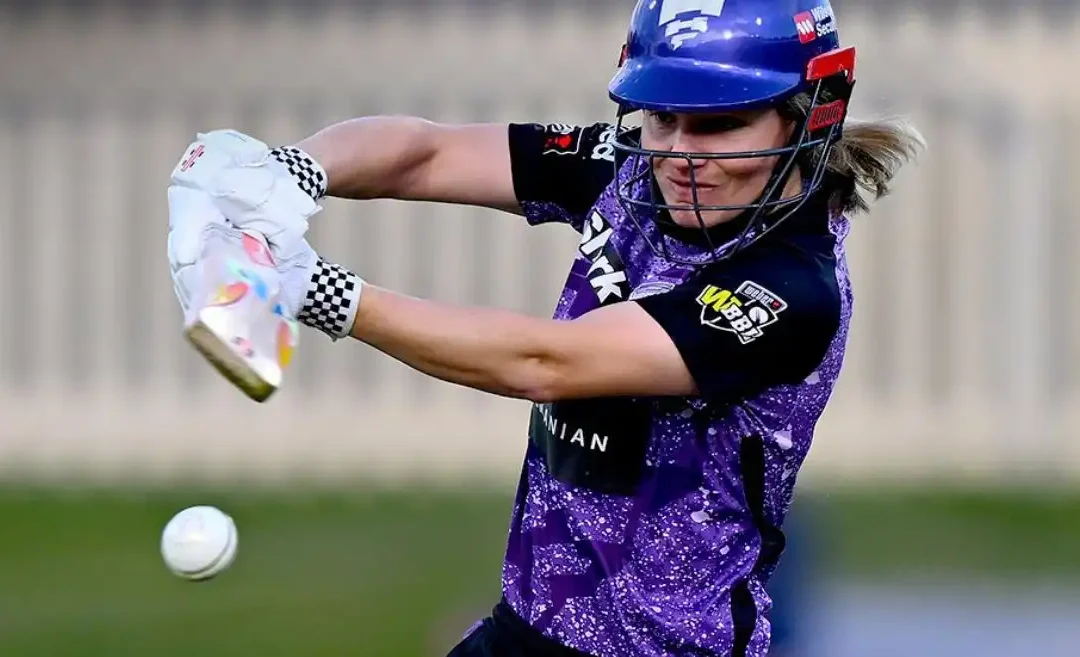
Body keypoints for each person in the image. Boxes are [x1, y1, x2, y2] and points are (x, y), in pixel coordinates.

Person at [166, 1, 924, 655]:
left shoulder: (790, 290)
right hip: (526, 630)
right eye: (664, 117)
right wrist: (287, 175)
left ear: (810, 114)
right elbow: (429, 154)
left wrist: (314, 290)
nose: (682, 155)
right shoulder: (632, 170)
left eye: (721, 125)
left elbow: (547, 362)